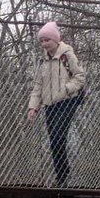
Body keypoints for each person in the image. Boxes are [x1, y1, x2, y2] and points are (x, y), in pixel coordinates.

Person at [26, 21, 86, 187]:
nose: (44, 44)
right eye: (42, 41)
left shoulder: (67, 55)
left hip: (67, 101)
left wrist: (66, 89)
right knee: (54, 140)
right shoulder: (42, 61)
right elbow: (38, 86)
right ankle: (62, 176)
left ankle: (64, 176)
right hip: (50, 104)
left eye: (47, 40)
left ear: (55, 40)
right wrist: (33, 107)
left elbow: (80, 77)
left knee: (59, 135)